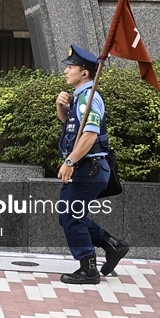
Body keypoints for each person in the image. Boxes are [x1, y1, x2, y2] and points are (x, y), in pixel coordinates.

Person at [55, 44, 129, 284]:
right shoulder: (80, 96)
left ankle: (89, 269)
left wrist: (69, 160)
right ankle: (112, 245)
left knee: (70, 215)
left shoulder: (88, 96)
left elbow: (90, 135)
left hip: (89, 169)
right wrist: (61, 108)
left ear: (84, 73)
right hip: (87, 169)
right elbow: (74, 126)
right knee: (69, 214)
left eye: (70, 67)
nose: (66, 71)